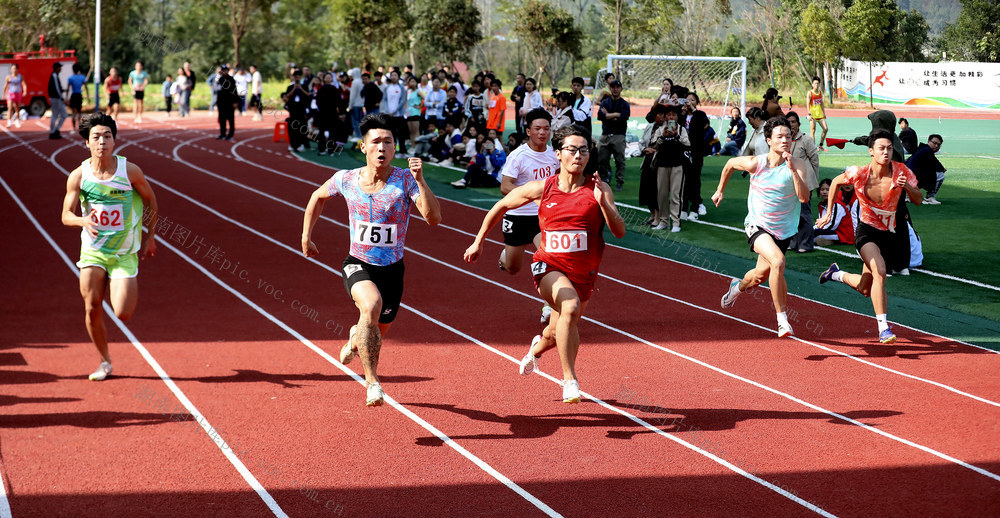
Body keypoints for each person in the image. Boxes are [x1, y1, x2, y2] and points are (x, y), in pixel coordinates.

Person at [463, 125, 627, 404]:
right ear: (558, 154)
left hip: (584, 271)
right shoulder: (543, 188)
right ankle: (570, 381)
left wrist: (604, 205)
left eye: (584, 150)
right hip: (548, 265)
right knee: (570, 307)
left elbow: (619, 231)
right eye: (572, 150)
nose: (579, 155)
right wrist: (479, 241)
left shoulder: (600, 189)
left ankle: (535, 351)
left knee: (556, 332)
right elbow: (501, 206)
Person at [301, 113, 442, 406]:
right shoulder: (347, 179)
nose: (382, 148)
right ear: (363, 146)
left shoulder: (405, 180)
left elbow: (433, 219)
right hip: (358, 263)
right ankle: (373, 383)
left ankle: (355, 338)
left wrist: (422, 181)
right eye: (375, 142)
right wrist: (306, 236)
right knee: (372, 305)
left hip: (392, 269)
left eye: (388, 142)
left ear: (395, 148)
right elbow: (317, 198)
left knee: (376, 329)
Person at [61, 112, 158, 381]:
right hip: (93, 250)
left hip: (124, 253)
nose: (102, 142)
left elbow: (151, 201)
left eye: (107, 136)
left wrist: (151, 237)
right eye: (96, 137)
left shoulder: (130, 171)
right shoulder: (79, 176)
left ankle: (120, 282)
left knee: (123, 313)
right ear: (87, 143)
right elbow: (65, 215)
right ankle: (105, 360)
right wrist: (82, 220)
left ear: (114, 142)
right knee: (91, 307)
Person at [817, 129, 923, 344]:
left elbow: (919, 199)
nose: (886, 152)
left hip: (890, 234)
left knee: (866, 288)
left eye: (890, 148)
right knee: (880, 272)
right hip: (866, 232)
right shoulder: (860, 173)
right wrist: (828, 213)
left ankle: (835, 274)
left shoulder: (902, 171)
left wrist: (907, 188)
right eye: (881, 148)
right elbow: (836, 181)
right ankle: (883, 328)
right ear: (871, 152)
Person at [713, 116, 812, 338]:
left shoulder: (798, 164)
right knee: (778, 261)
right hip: (757, 224)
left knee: (759, 276)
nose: (785, 140)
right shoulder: (755, 164)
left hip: (784, 230)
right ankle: (782, 321)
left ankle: (736, 288)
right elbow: (730, 164)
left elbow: (804, 198)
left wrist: (792, 170)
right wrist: (720, 190)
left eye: (788, 136)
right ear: (769, 140)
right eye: (780, 136)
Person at [785, 111, 820, 253]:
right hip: (789, 181)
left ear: (798, 124)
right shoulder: (784, 140)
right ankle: (793, 242)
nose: (791, 125)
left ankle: (805, 244)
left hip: (805, 181)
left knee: (804, 213)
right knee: (790, 213)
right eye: (788, 122)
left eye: (793, 122)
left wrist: (814, 180)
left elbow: (814, 160)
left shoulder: (805, 139)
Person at [652, 105, 689, 232]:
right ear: (665, 117)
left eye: (674, 115)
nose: (671, 117)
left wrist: (676, 136)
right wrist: (662, 136)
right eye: (668, 114)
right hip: (662, 164)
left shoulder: (681, 129)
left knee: (675, 194)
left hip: (677, 164)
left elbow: (687, 143)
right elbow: (654, 145)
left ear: (678, 117)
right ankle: (663, 221)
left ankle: (676, 222)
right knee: (661, 194)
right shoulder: (660, 129)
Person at [638, 104, 668, 226]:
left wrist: (656, 151)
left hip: (659, 162)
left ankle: (659, 217)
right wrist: (645, 149)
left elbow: (669, 144)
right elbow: (641, 141)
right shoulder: (649, 126)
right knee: (645, 188)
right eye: (659, 114)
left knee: (656, 189)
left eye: (663, 114)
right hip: (647, 160)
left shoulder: (668, 127)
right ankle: (653, 215)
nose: (661, 116)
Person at [681, 92, 709, 220]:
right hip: (683, 152)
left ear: (696, 102)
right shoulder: (682, 115)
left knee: (694, 180)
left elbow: (703, 128)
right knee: (683, 181)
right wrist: (682, 113)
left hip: (696, 152)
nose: (689, 102)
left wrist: (694, 111)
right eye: (687, 100)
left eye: (692, 100)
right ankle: (683, 209)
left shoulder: (700, 115)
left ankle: (695, 209)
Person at [597, 79, 629, 191]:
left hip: (619, 135)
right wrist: (615, 115)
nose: (615, 89)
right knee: (601, 159)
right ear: (610, 89)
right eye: (613, 87)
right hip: (605, 134)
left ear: (621, 89)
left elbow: (624, 117)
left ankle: (619, 181)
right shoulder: (605, 102)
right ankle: (604, 179)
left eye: (617, 87)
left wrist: (608, 115)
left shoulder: (624, 104)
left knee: (619, 160)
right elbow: (600, 116)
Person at [905, 134, 946, 205]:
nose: (936, 146)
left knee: (927, 172)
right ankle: (930, 197)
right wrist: (943, 169)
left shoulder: (921, 148)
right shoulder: (927, 150)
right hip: (911, 178)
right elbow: (937, 164)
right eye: (934, 143)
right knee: (941, 175)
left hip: (906, 176)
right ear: (929, 141)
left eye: (939, 145)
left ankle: (909, 196)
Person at [813, 178, 855, 246]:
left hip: (843, 234)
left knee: (814, 234)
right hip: (830, 231)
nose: (824, 192)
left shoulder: (837, 204)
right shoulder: (822, 204)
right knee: (809, 232)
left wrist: (815, 230)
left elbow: (832, 225)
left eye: (827, 189)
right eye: (822, 189)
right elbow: (820, 223)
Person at [283, 69, 310, 152]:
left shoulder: (305, 86)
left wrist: (300, 88)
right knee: (292, 128)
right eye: (296, 77)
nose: (297, 78)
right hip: (293, 110)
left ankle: (301, 144)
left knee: (302, 128)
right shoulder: (290, 87)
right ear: (294, 78)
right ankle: (293, 144)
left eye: (299, 77)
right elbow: (287, 96)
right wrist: (294, 88)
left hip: (302, 110)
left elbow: (308, 95)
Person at [215, 66, 238, 140]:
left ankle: (231, 135)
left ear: (227, 71)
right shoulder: (220, 79)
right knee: (222, 119)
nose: (223, 72)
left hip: (230, 103)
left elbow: (234, 91)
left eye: (225, 70)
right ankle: (222, 134)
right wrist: (217, 102)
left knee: (230, 119)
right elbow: (218, 91)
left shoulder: (231, 79)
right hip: (221, 103)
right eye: (222, 70)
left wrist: (235, 101)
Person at [48, 62, 68, 139]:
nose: (61, 69)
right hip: (56, 98)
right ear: (57, 68)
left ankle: (56, 130)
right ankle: (53, 131)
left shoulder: (55, 75)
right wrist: (61, 97)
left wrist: (62, 91)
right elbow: (56, 88)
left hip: (56, 98)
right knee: (56, 115)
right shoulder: (54, 75)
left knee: (62, 115)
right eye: (60, 67)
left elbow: (57, 88)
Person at [807, 77, 828, 150]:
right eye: (815, 83)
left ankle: (821, 145)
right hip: (812, 115)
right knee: (813, 130)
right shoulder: (810, 93)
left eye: (818, 83)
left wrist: (823, 113)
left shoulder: (820, 92)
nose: (816, 85)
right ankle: (813, 147)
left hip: (820, 115)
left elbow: (821, 103)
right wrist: (809, 114)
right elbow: (807, 104)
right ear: (812, 84)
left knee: (825, 129)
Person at [67, 64, 89, 131]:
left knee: (73, 113)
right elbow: (86, 87)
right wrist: (88, 96)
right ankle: (79, 127)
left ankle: (74, 128)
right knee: (79, 112)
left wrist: (66, 97)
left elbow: (68, 89)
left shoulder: (70, 78)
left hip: (73, 95)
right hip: (79, 95)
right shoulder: (82, 77)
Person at [3, 63, 25, 128]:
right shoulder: (8, 77)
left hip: (18, 94)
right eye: (12, 69)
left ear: (17, 69)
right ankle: (9, 121)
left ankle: (17, 120)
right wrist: (4, 94)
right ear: (11, 69)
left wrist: (25, 91)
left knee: (17, 108)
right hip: (11, 94)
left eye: (15, 69)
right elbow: (6, 86)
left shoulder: (20, 77)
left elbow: (24, 84)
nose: (14, 70)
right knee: (9, 108)